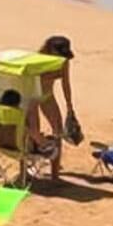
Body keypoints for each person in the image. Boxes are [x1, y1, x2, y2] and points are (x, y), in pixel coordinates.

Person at [38, 35, 80, 169]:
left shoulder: (63, 61)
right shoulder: (38, 58)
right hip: (32, 95)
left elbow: (65, 84)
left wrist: (69, 106)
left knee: (58, 130)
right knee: (31, 129)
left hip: (47, 96)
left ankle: (55, 170)